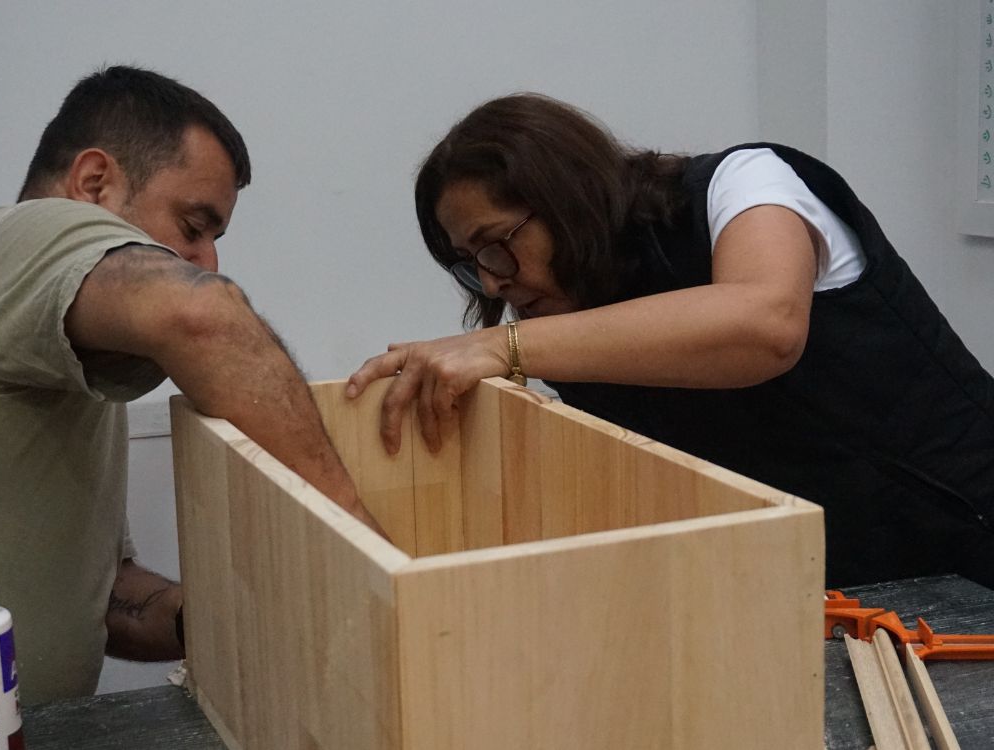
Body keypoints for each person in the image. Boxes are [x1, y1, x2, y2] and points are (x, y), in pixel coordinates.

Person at [0, 65, 382, 736]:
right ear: (93, 183)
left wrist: (224, 620)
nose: (206, 260)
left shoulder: (55, 348)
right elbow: (205, 317)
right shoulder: (20, 238)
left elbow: (101, 600)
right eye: (193, 225)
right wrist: (366, 553)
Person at [347, 93, 994, 590]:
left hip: (966, 545)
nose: (493, 280)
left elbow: (764, 325)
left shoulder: (745, 184)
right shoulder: (580, 321)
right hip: (830, 589)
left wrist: (507, 349)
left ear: (566, 198)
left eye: (498, 244)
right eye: (470, 263)